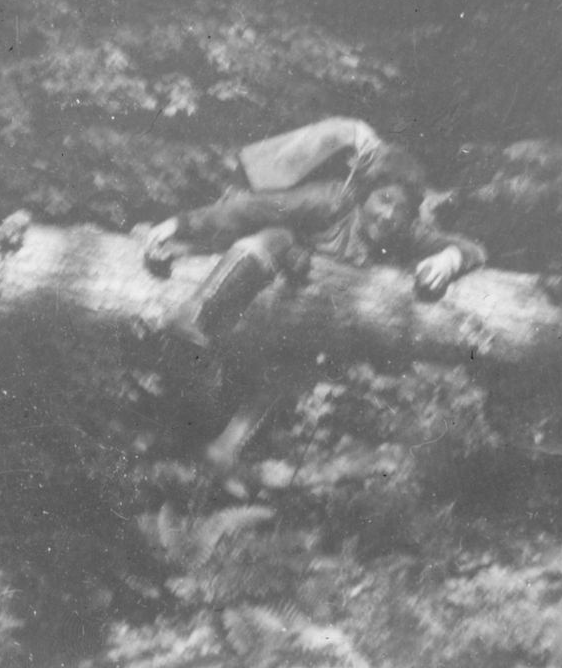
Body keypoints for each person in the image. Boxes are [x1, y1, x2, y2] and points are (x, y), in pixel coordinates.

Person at [141, 118, 486, 488]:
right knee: (274, 235)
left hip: (314, 323)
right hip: (267, 286)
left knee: (293, 370)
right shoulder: (331, 201)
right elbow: (251, 209)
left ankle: (223, 451)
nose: (388, 216)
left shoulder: (403, 233)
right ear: (363, 195)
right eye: (382, 201)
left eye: (399, 210)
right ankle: (195, 314)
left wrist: (448, 260)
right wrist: (180, 223)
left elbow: (473, 249)